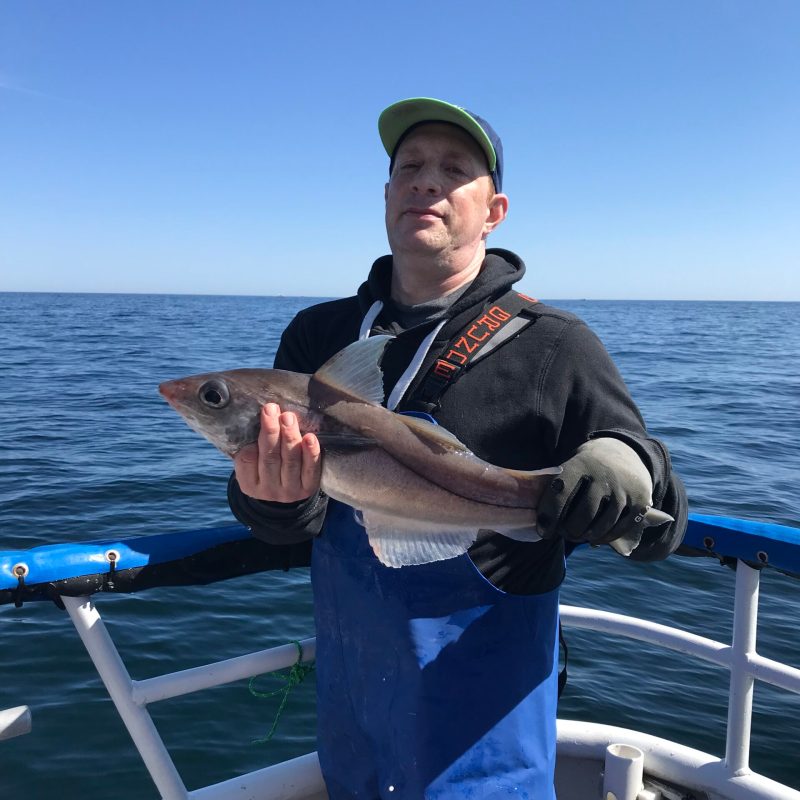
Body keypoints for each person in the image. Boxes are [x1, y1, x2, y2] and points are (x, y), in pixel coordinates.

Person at [228, 97, 688, 799]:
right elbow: (293, 525)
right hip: (353, 714)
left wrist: (629, 461)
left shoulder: (553, 345)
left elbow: (661, 526)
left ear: (494, 210)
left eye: (454, 169)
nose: (426, 181)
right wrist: (270, 499)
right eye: (409, 167)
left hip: (485, 723)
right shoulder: (319, 336)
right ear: (387, 195)